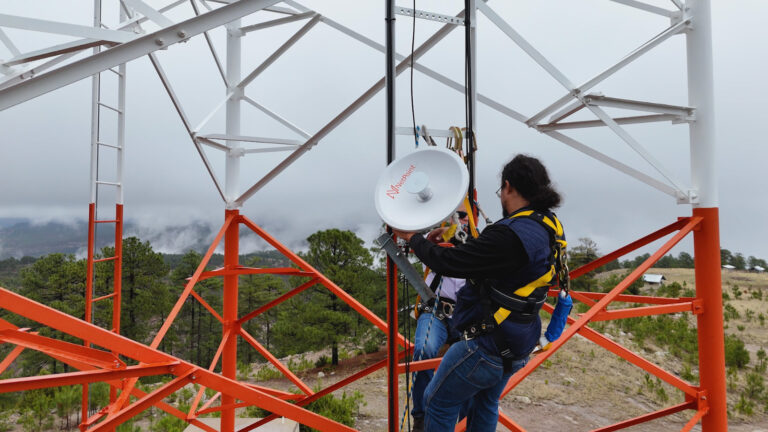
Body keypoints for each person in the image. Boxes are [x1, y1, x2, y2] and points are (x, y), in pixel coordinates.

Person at [393, 154, 564, 432]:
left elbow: (449, 263)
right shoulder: (547, 225)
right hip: (519, 341)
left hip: (488, 345)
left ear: (508, 187)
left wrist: (414, 239)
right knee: (485, 402)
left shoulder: (508, 234)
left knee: (437, 402)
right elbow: (488, 260)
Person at [410, 209, 468, 432]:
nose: (460, 221)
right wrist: (446, 231)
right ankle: (421, 417)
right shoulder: (434, 243)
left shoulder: (477, 246)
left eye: (464, 218)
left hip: (465, 314)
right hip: (435, 310)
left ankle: (465, 421)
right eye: (457, 217)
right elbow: (431, 238)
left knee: (471, 361)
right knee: (424, 351)